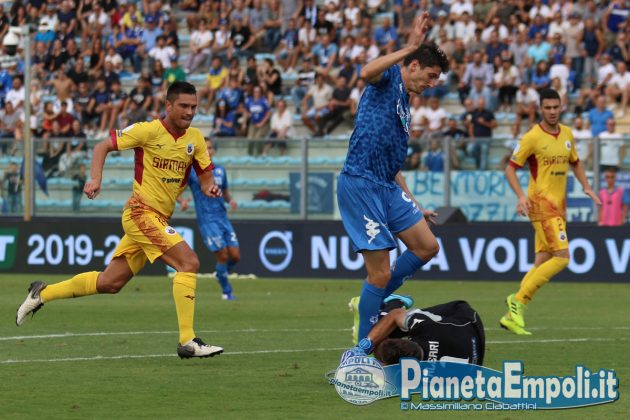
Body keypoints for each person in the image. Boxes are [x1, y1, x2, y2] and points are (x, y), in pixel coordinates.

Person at [16, 82, 225, 359]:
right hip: (140, 213)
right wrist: (95, 178)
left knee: (110, 283)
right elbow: (102, 146)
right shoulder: (148, 131)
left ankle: (41, 294)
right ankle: (187, 340)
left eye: (194, 107)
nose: (190, 112)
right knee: (189, 263)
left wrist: (211, 188)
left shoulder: (195, 138)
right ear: (168, 105)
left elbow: (206, 177)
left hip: (158, 218)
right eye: (184, 106)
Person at [337, 14, 449, 347]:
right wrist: (410, 46)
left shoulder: (406, 104)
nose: (432, 83)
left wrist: (414, 203)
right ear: (413, 65)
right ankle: (360, 354)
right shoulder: (387, 78)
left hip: (387, 185)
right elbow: (365, 71)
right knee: (380, 271)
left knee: (427, 246)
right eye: (430, 75)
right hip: (361, 183)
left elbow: (393, 163)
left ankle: (370, 298)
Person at [500, 88, 602, 336]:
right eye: (548, 108)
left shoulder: (567, 133)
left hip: (559, 206)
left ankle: (510, 316)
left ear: (561, 107)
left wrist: (587, 186)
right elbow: (510, 169)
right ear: (541, 109)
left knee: (543, 260)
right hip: (541, 204)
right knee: (563, 257)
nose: (553, 112)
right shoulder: (532, 137)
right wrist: (521, 196)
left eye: (556, 107)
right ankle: (518, 301)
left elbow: (575, 162)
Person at [342, 294, 485, 366]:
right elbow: (396, 315)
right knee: (387, 327)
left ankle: (390, 304)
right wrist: (363, 348)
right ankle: (396, 301)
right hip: (465, 319)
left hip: (469, 338)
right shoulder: (425, 327)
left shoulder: (419, 379)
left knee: (381, 326)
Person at [179, 138, 240, 300]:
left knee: (235, 256)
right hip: (207, 219)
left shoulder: (220, 170)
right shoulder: (192, 171)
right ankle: (227, 291)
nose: (208, 151)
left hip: (222, 217)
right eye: (205, 148)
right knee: (223, 255)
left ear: (214, 151)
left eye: (211, 148)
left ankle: (221, 273)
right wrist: (182, 201)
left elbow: (224, 191)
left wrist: (230, 201)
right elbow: (177, 189)